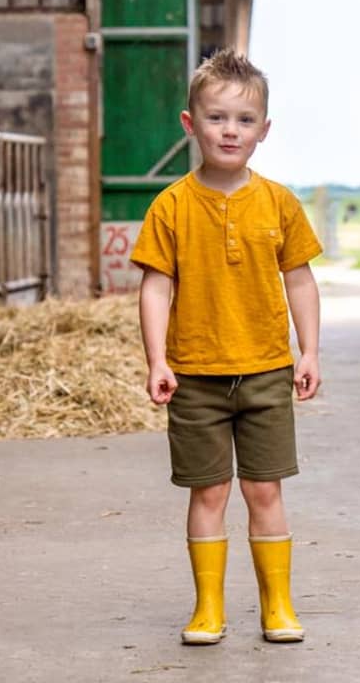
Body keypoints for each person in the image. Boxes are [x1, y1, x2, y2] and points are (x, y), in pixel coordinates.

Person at [129, 49, 323, 645]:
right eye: (216, 118)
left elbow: (299, 279)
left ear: (264, 130)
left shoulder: (279, 203)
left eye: (243, 120)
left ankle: (278, 607)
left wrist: (308, 351)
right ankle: (208, 607)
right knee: (208, 489)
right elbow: (156, 286)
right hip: (196, 375)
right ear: (191, 124)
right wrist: (158, 359)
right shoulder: (172, 206)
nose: (229, 131)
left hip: (266, 369)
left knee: (264, 488)